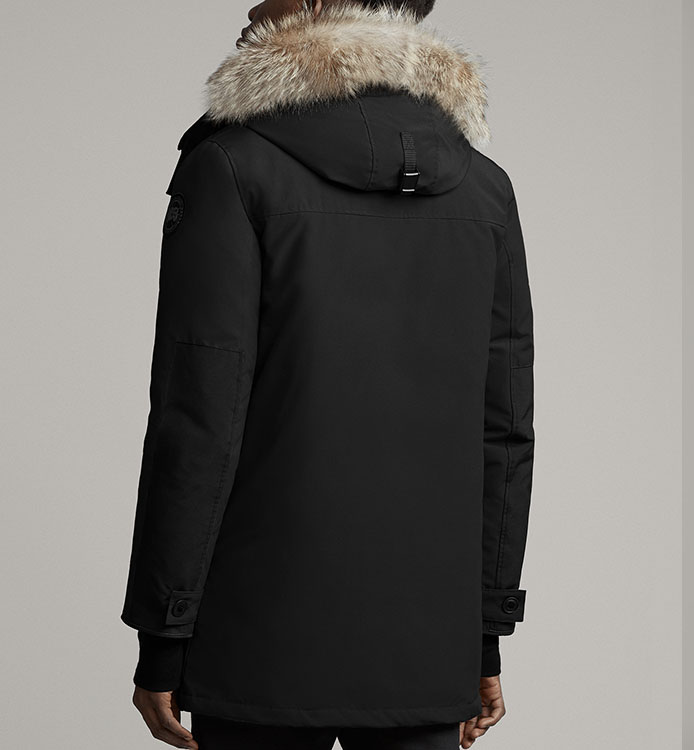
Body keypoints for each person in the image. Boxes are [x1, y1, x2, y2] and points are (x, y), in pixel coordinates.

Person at [120, 0, 536, 748]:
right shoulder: (485, 188)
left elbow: (199, 419)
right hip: (427, 646)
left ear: (314, 6)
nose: (252, 8)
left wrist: (164, 634)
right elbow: (502, 431)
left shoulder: (229, 167)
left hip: (256, 645)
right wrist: (483, 634)